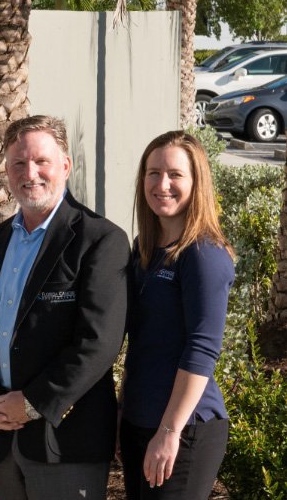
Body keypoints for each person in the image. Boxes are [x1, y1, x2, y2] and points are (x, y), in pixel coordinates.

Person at [0, 115, 129, 499]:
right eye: (18, 163)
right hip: (2, 443)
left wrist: (34, 403)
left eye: (41, 162)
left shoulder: (100, 241)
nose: (29, 173)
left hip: (67, 444)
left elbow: (98, 344)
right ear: (6, 169)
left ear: (65, 166)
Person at [118, 131, 233, 499]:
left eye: (175, 175)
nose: (161, 184)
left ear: (196, 182)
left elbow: (202, 349)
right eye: (152, 173)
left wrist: (169, 432)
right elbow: (141, 345)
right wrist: (125, 412)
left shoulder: (204, 254)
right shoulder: (145, 251)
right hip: (140, 420)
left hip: (186, 428)